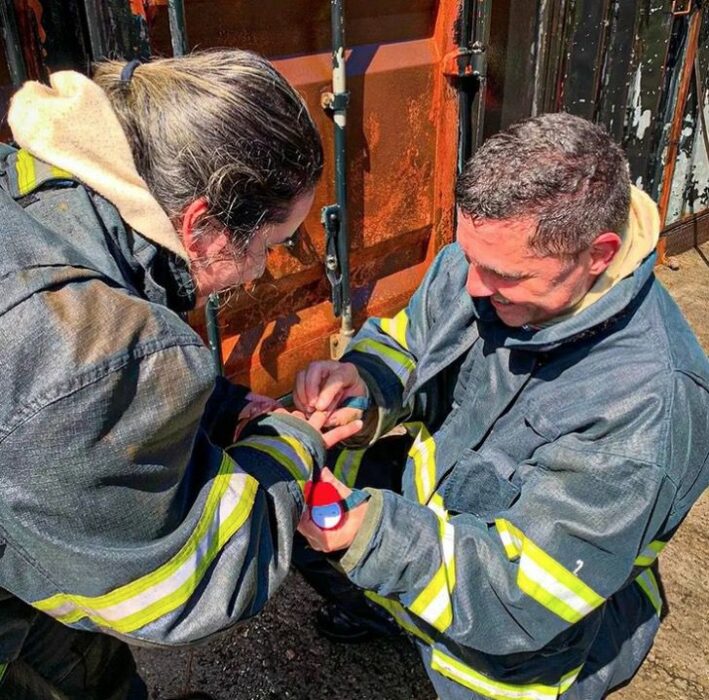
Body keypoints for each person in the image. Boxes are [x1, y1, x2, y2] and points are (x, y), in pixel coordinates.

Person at [294, 113, 709, 699]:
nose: (472, 287)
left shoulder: (650, 405)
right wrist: (364, 384)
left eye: (504, 275)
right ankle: (389, 611)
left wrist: (379, 541)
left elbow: (525, 597)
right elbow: (412, 344)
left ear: (598, 254)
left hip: (523, 646)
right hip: (437, 526)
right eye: (469, 258)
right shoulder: (487, 266)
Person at [0, 51, 360, 700]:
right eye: (269, 247)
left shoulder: (39, 189)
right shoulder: (85, 342)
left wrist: (224, 407)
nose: (259, 273)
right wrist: (292, 443)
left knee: (79, 663)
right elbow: (188, 580)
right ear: (202, 226)